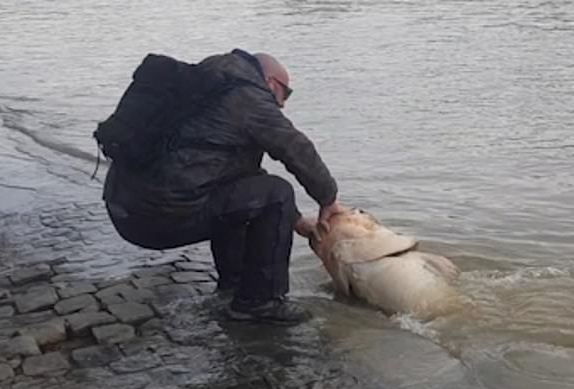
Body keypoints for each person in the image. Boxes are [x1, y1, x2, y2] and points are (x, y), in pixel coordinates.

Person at [102, 48, 346, 325]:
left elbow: (232, 173)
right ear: (271, 83)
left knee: (246, 191)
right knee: (278, 192)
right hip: (159, 220)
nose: (283, 105)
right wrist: (329, 199)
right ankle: (260, 303)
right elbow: (295, 147)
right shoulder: (248, 97)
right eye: (285, 94)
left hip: (126, 209)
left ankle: (235, 287)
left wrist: (298, 221)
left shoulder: (206, 82)